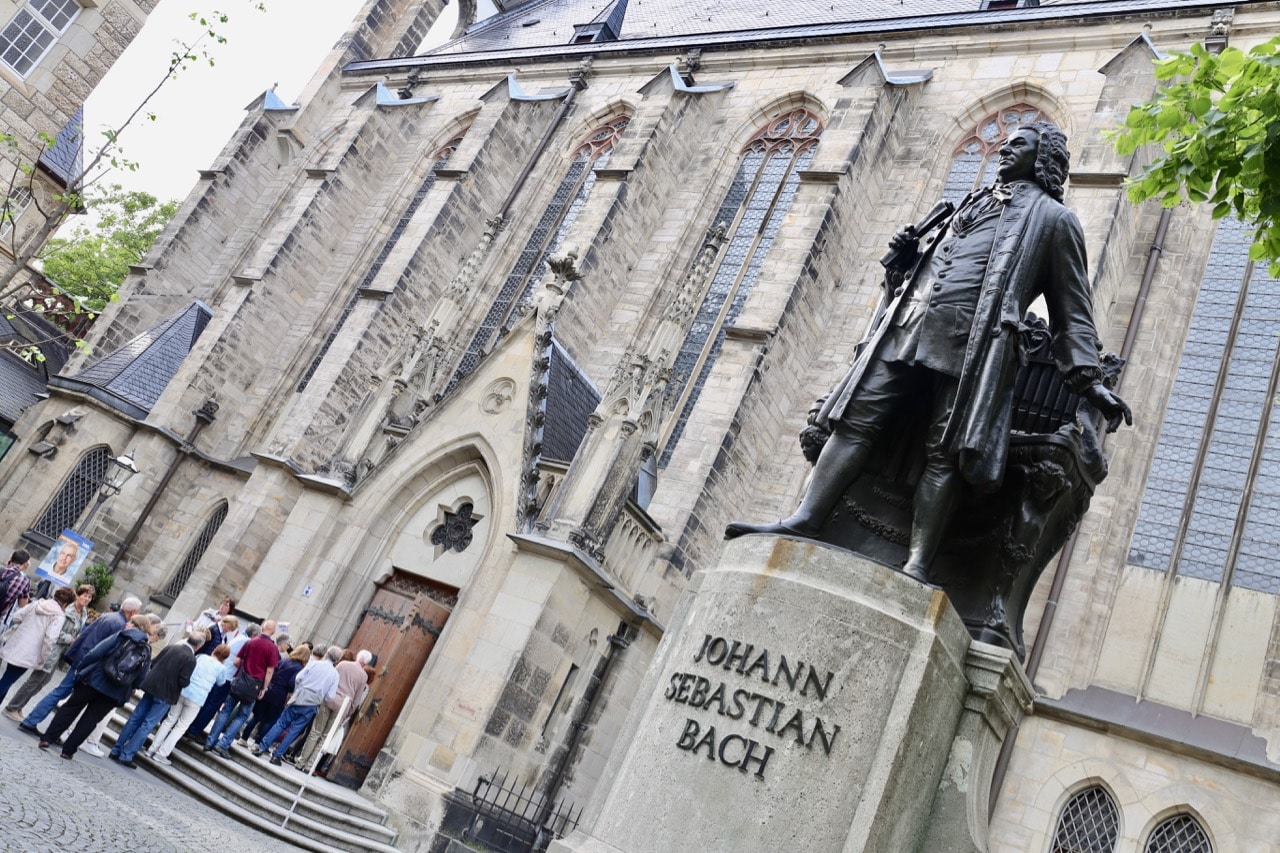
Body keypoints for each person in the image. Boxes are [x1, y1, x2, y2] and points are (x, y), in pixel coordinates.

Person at [725, 122, 1132, 583]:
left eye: (1017, 145)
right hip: (908, 327)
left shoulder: (1055, 221)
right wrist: (903, 260)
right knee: (855, 418)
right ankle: (807, 518)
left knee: (946, 451)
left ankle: (917, 564)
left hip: (976, 346)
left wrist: (1090, 381)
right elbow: (924, 274)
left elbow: (1071, 311)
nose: (1003, 150)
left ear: (1042, 160)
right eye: (1005, 142)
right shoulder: (968, 202)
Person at [17, 595, 142, 737]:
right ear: (133, 612)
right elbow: (106, 650)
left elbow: (86, 633)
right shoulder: (119, 624)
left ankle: (39, 725)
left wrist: (73, 653)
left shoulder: (109, 616)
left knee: (63, 693)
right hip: (86, 663)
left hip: (82, 658)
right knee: (61, 693)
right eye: (137, 611)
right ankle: (31, 721)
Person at [39, 613, 154, 760]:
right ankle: (68, 751)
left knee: (71, 708)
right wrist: (133, 687)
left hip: (95, 680)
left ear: (136, 626)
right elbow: (142, 675)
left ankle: (48, 738)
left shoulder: (121, 636)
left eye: (131, 622)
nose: (127, 624)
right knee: (91, 720)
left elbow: (96, 651)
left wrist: (81, 667)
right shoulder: (146, 649)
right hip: (114, 691)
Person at [110, 632, 199, 768]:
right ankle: (127, 755)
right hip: (166, 694)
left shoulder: (171, 647)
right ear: (198, 645)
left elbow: (154, 662)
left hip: (151, 686)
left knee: (135, 718)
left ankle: (116, 749)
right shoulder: (191, 658)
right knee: (147, 724)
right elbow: (183, 680)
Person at [4, 584, 92, 720]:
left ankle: (20, 706)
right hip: (50, 649)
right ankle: (12, 706)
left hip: (59, 652)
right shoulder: (65, 611)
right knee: (32, 680)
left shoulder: (84, 613)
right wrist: (69, 640)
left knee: (42, 682)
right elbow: (53, 634)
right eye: (84, 595)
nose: (87, 599)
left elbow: (18, 616)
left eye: (90, 596)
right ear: (77, 596)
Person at [204, 619, 279, 757]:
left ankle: (210, 741)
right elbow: (269, 671)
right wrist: (264, 688)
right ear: (273, 632)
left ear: (262, 628)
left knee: (225, 711)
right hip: (254, 686)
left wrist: (244, 672)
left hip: (239, 681)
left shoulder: (250, 642)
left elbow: (236, 661)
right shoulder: (272, 648)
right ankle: (223, 744)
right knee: (242, 715)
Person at [254, 644, 338, 765]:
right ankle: (277, 755)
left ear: (327, 654)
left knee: (281, 723)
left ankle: (261, 747)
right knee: (294, 730)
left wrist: (299, 690)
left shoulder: (314, 664)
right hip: (313, 703)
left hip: (300, 696)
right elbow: (330, 696)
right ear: (337, 660)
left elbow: (298, 678)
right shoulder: (335, 674)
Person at [147, 642, 230, 765]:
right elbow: (221, 683)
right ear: (225, 658)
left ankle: (152, 749)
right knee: (181, 726)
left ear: (215, 650)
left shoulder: (201, 657)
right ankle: (162, 754)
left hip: (184, 691)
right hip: (197, 698)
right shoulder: (221, 668)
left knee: (169, 720)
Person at [296, 647, 370, 772]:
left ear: (358, 657)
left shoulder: (343, 664)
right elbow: (357, 699)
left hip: (329, 699)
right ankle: (310, 766)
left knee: (315, 732)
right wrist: (349, 713)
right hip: (343, 707)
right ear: (366, 662)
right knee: (325, 736)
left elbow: (330, 678)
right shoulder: (364, 676)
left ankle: (301, 761)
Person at [0, 588, 67, 704]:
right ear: (65, 604)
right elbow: (50, 638)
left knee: (8, 678)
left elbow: (16, 617)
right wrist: (43, 658)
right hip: (30, 653)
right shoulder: (59, 616)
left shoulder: (37, 603)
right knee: (8, 680)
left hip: (16, 645)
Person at [184, 615, 243, 738]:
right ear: (226, 623)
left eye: (232, 629)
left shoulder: (223, 636)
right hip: (202, 667)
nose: (230, 630)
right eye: (230, 627)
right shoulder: (213, 630)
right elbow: (202, 648)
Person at [242, 642, 308, 746]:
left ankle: (244, 738)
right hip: (280, 694)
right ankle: (257, 742)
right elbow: (291, 683)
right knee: (270, 720)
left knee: (257, 716)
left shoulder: (284, 660)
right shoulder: (300, 668)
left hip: (270, 688)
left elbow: (273, 671)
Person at [0, 550, 32, 628]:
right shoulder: (24, 581)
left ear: (12, 559)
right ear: (25, 564)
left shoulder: (1, 570)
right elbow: (22, 604)